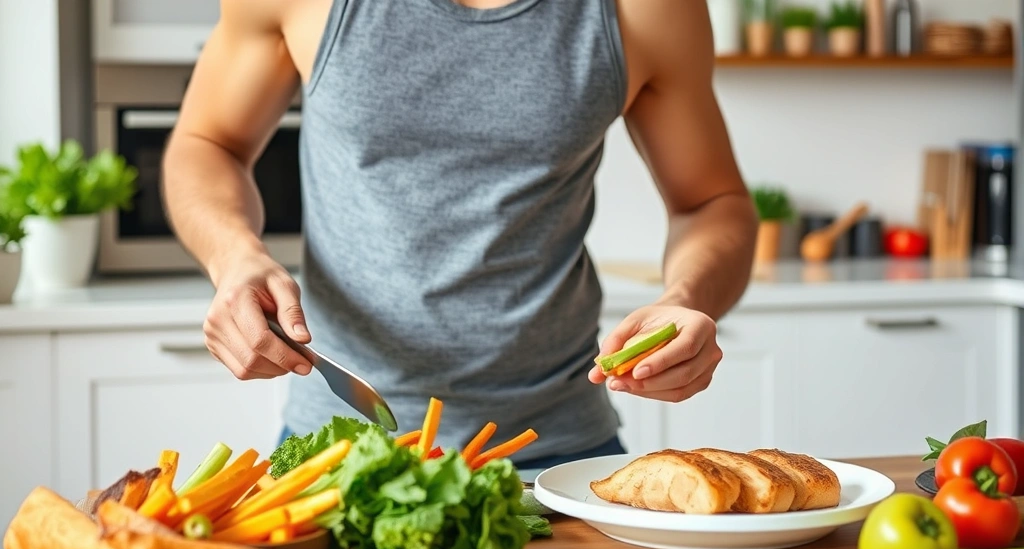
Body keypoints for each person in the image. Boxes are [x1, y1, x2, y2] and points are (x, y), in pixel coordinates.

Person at [162, 0, 758, 469]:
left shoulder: (647, 7)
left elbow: (712, 201)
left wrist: (684, 300)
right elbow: (208, 144)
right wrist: (234, 257)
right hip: (340, 444)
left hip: (557, 452)